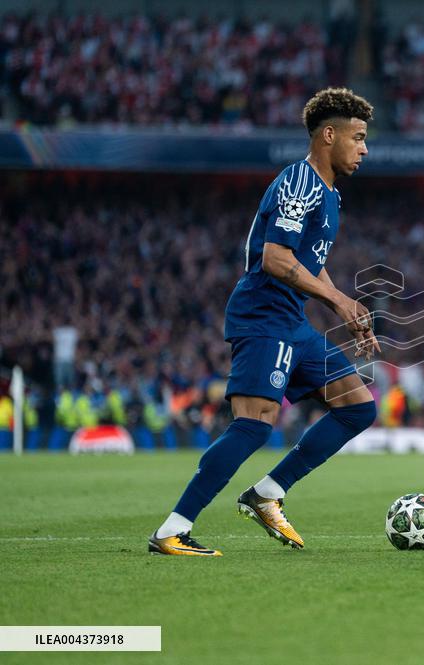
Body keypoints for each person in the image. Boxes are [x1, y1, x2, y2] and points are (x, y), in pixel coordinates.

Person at [149, 88, 380, 556]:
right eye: (357, 137)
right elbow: (275, 258)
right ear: (328, 135)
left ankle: (268, 493)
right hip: (262, 316)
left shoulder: (331, 195)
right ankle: (171, 530)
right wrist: (337, 302)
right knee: (254, 425)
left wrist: (346, 304)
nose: (364, 148)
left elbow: (308, 260)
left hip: (292, 321)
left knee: (358, 406)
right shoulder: (299, 180)